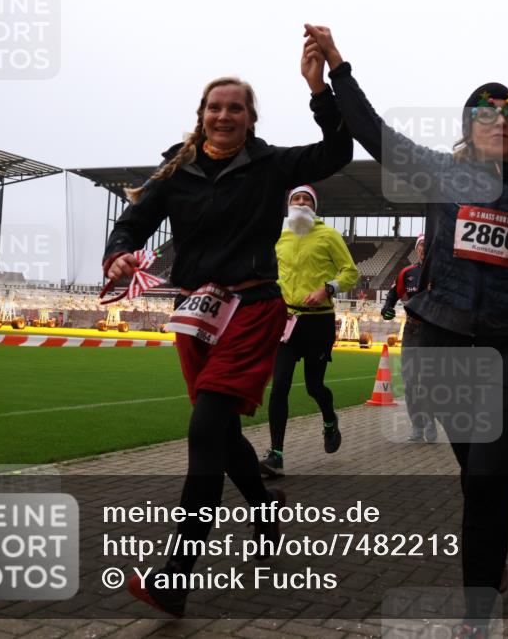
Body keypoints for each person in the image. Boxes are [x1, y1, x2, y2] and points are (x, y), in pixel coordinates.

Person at [302, 24, 508, 638]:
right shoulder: (437, 174)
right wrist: (339, 67)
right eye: (485, 114)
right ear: (468, 124)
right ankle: (490, 563)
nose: (499, 123)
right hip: (441, 345)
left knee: (486, 485)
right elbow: (373, 132)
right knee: (476, 479)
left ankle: (478, 615)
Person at [102, 48, 352, 616]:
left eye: (235, 108)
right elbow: (134, 221)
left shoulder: (271, 166)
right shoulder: (176, 169)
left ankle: (174, 580)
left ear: (250, 118)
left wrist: (320, 89)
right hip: (196, 310)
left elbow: (337, 150)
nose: (223, 116)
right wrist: (118, 253)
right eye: (215, 107)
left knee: (204, 429)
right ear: (201, 114)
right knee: (219, 432)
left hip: (253, 306)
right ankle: (266, 517)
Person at [261, 185, 359, 477]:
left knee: (315, 386)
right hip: (287, 321)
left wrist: (327, 288)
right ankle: (275, 455)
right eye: (296, 199)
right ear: (289, 205)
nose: (301, 202)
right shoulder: (280, 239)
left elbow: (350, 273)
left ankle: (329, 420)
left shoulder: (328, 235)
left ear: (314, 206)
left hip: (319, 321)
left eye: (307, 199)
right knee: (279, 386)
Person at [382, 234, 438, 443]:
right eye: (422, 244)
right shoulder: (407, 273)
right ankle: (417, 426)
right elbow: (391, 296)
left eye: (427, 244)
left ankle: (431, 421)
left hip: (434, 332)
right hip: (412, 332)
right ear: (417, 249)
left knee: (430, 382)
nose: (424, 248)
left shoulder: (440, 273)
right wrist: (387, 308)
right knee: (410, 382)